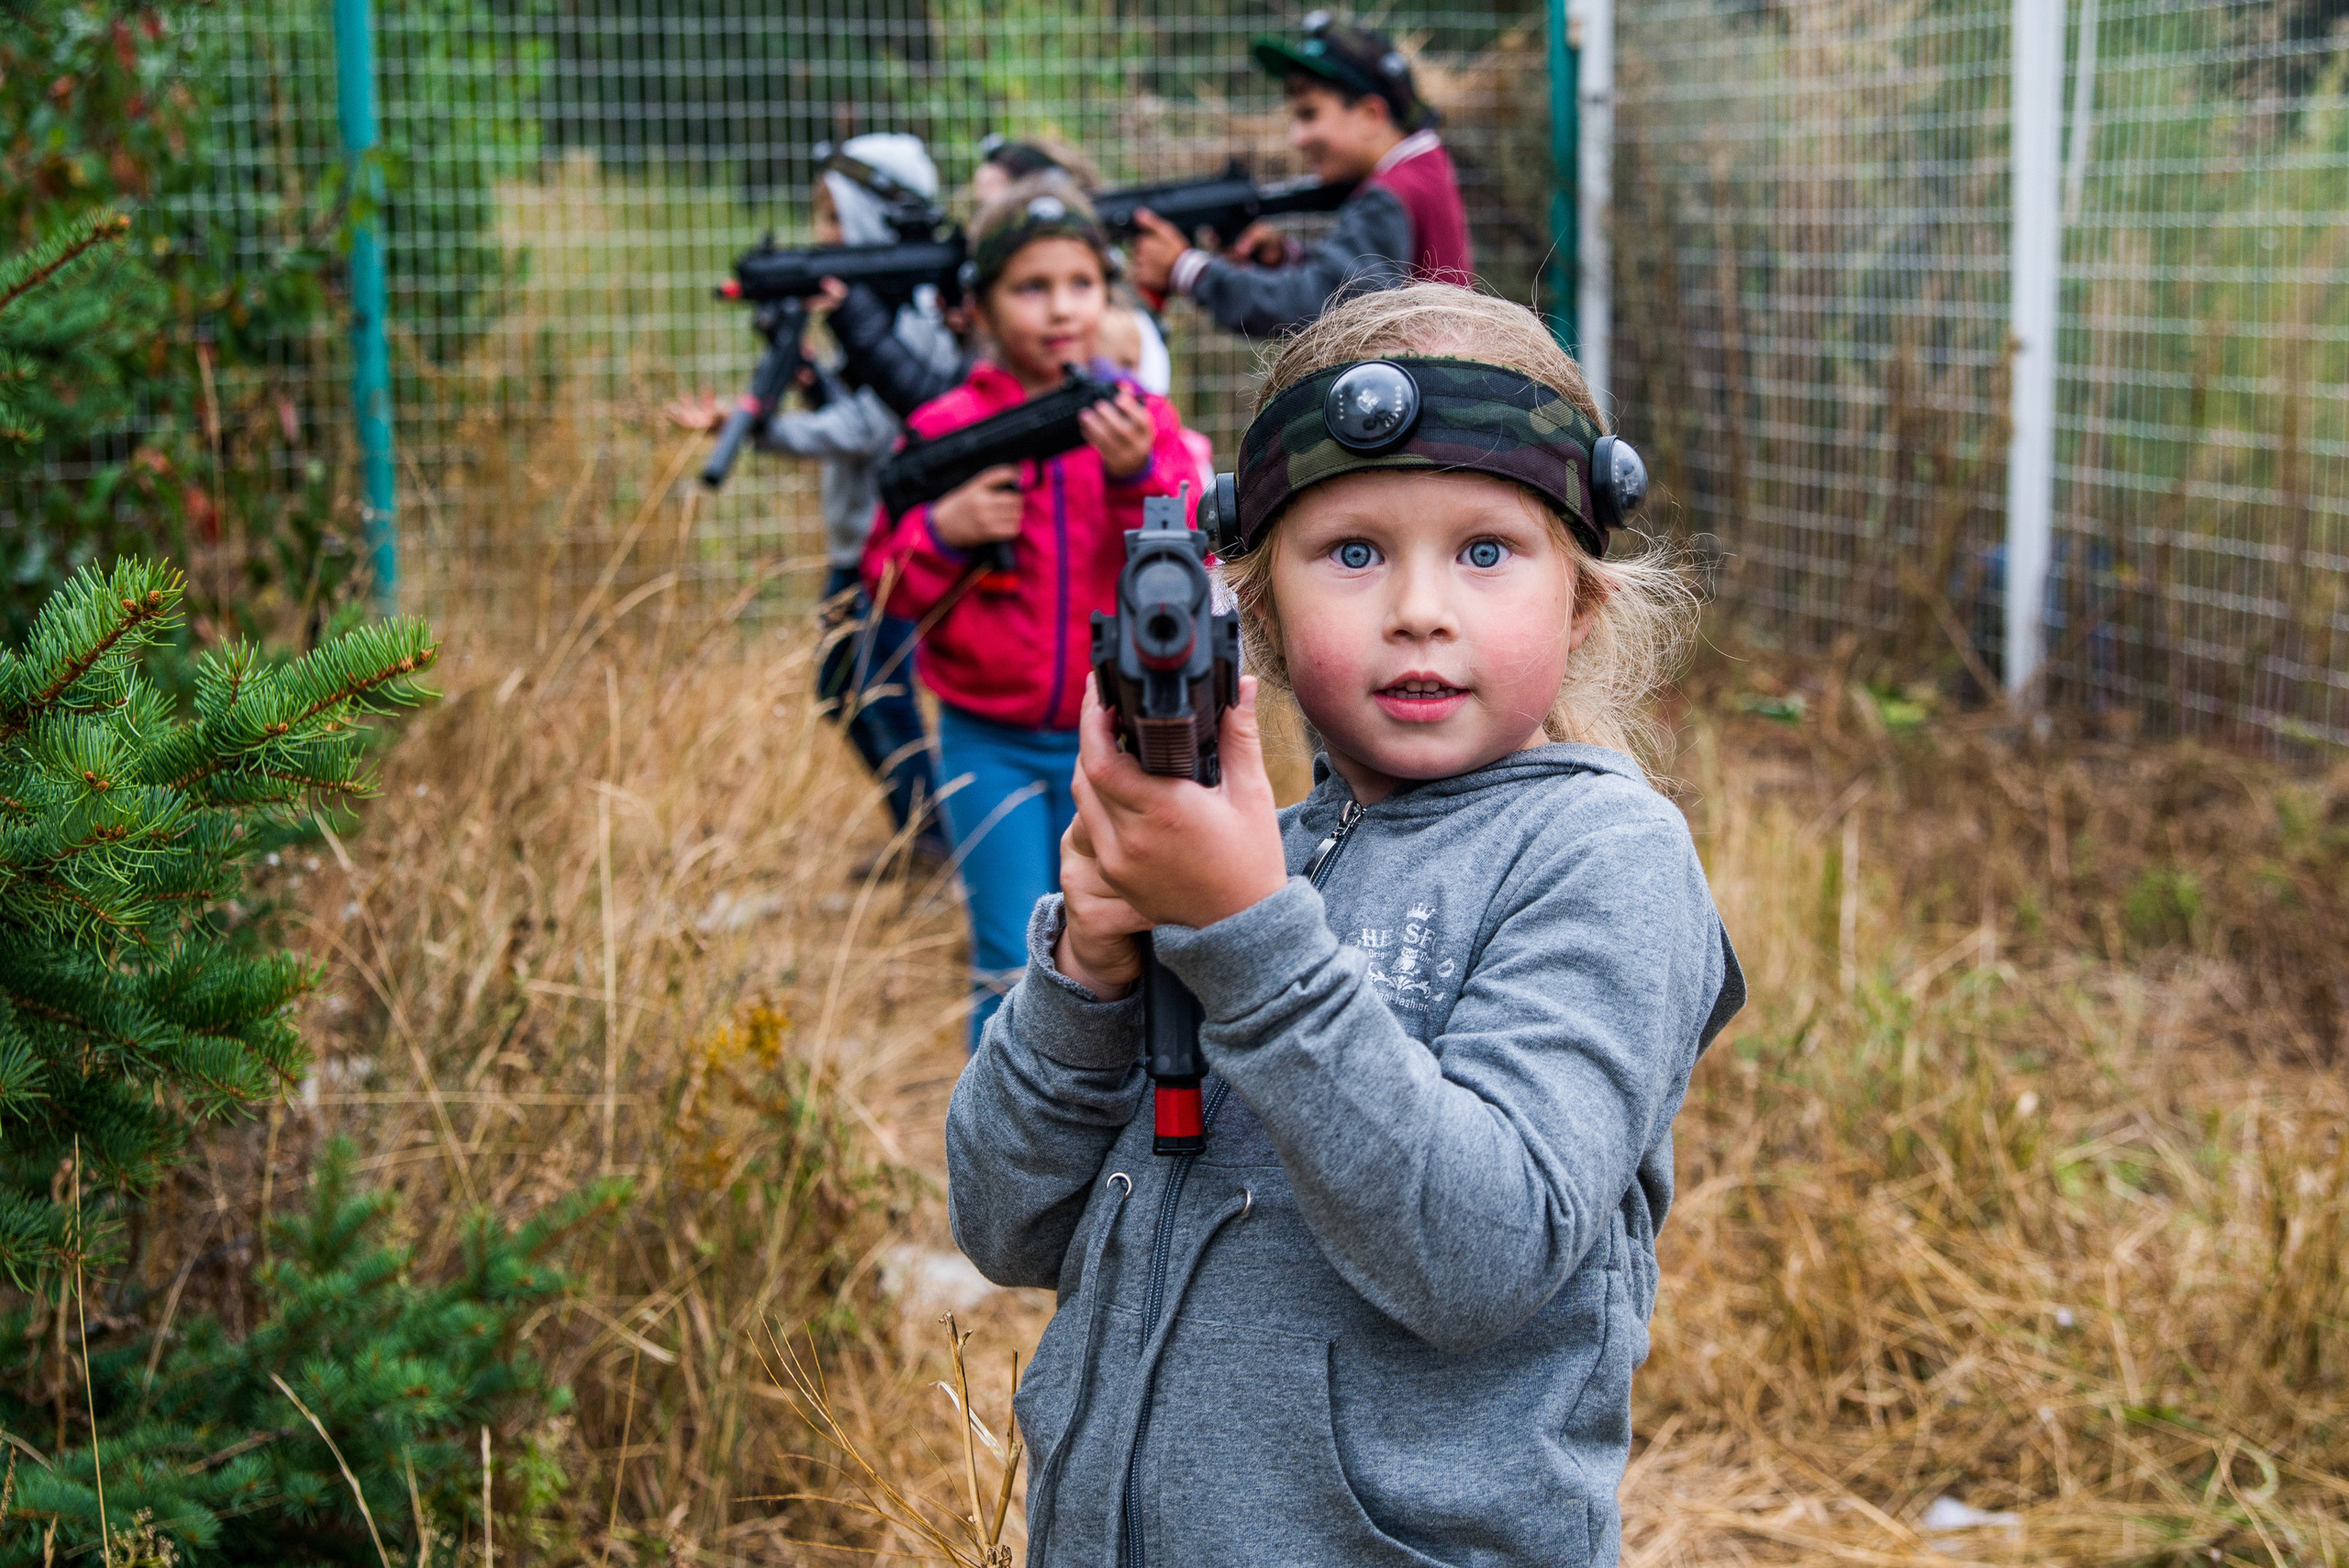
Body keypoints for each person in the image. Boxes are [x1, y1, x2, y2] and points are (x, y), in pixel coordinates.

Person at [944, 284, 1744, 1566]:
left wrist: (1249, 933)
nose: (1419, 608)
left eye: (1487, 551)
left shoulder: (1602, 856)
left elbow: (1481, 1252)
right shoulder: (1254, 850)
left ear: (1581, 606)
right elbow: (1003, 1224)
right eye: (1354, 552)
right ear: (1261, 611)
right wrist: (1088, 966)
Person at [862, 176, 1200, 1050]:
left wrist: (1136, 479)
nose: (1060, 309)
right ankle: (1005, 1146)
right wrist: (945, 530)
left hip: (1121, 736)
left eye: (1081, 284)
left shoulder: (1138, 418)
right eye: (1030, 287)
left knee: (1126, 940)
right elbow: (886, 582)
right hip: (989, 740)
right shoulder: (943, 429)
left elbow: (1191, 549)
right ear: (975, 306)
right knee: (1012, 953)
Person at [671, 133, 960, 872]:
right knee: (844, 688)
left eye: (837, 220)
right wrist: (808, 376)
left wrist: (765, 431)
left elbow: (871, 426)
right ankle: (924, 831)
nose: (825, 238)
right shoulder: (869, 311)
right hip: (855, 538)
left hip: (891, 544)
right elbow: (857, 400)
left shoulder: (917, 314)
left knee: (878, 691)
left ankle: (936, 837)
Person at [1127, 13, 1472, 338]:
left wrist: (1187, 269)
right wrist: (1289, 261)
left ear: (1371, 115)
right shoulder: (1424, 169)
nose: (1297, 138)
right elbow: (1365, 288)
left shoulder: (1392, 192)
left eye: (1309, 115)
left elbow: (1327, 308)